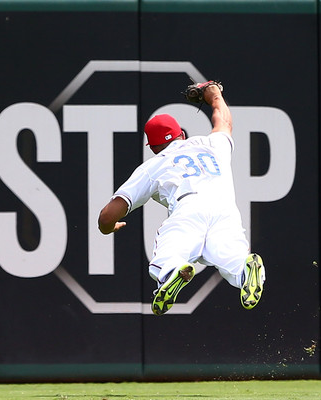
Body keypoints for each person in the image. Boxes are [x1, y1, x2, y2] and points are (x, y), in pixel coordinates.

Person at [97, 82, 265, 316]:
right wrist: (215, 95)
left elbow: (108, 215)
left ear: (153, 147)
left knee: (168, 252)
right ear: (182, 135)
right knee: (228, 256)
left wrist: (107, 228)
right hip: (225, 210)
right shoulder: (212, 144)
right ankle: (244, 271)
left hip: (189, 209)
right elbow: (223, 121)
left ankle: (172, 271)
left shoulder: (153, 165)